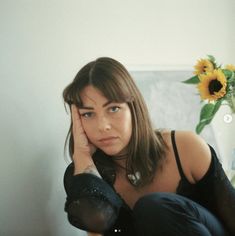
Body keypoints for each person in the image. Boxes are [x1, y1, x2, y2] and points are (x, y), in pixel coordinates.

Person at [62, 57, 235, 236]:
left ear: (133, 109)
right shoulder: (82, 175)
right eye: (88, 114)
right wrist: (82, 155)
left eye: (113, 109)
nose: (102, 126)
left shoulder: (186, 148)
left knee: (152, 206)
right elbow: (98, 222)